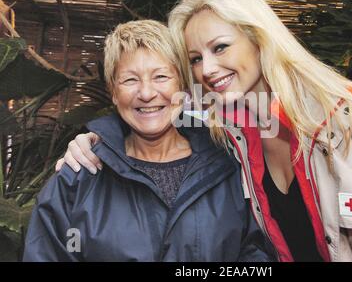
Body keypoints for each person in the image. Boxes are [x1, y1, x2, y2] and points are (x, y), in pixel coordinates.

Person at [56, 0, 352, 262]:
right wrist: (95, 143)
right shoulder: (234, 137)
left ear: (260, 39)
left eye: (220, 47)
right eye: (195, 58)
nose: (207, 69)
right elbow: (155, 115)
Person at [23, 19, 274, 262]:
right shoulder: (78, 177)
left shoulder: (227, 162)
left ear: (182, 86)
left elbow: (255, 251)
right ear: (113, 92)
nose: (146, 93)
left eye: (161, 77)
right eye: (130, 80)